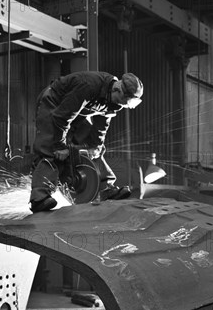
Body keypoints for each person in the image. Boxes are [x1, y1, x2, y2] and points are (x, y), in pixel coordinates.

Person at [29, 71, 144, 213]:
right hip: (54, 103)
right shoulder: (88, 86)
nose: (120, 106)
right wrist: (60, 146)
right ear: (117, 89)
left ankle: (105, 188)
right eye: (121, 101)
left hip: (77, 111)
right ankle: (39, 198)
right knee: (51, 147)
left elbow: (102, 125)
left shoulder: (114, 99)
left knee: (94, 147)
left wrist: (96, 146)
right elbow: (61, 117)